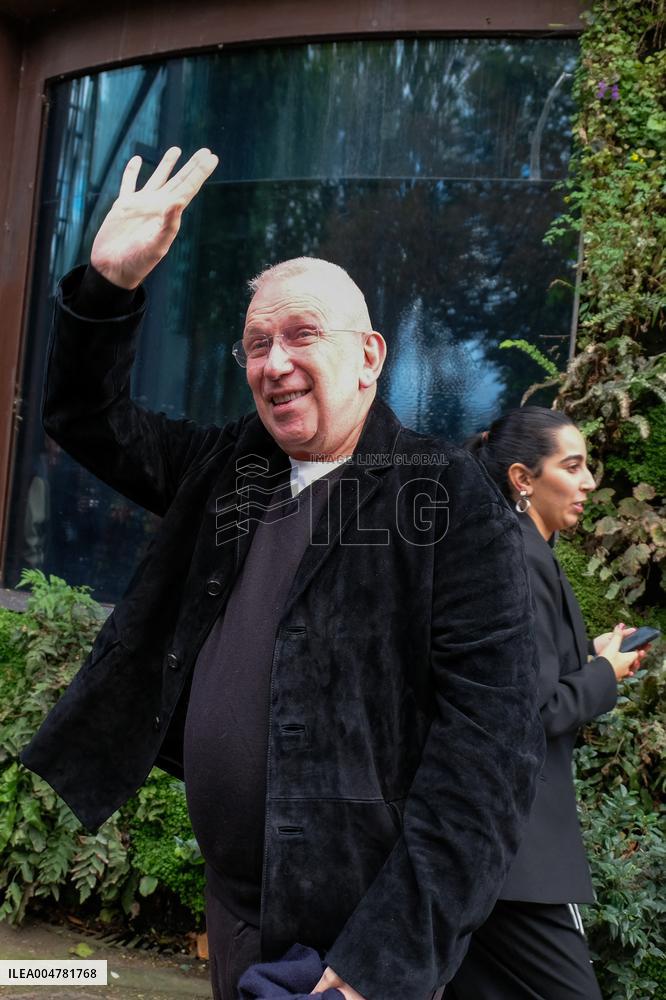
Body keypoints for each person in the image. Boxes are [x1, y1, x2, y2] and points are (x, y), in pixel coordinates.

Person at [22, 147, 544, 1000]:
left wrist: (383, 962)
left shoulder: (446, 496)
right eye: (256, 343)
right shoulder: (229, 469)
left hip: (359, 937)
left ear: (371, 355)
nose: (275, 362)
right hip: (237, 909)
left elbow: (487, 755)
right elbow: (87, 418)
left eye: (303, 335)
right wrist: (107, 287)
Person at [452, 407, 646, 1000]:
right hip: (517, 854)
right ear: (523, 478)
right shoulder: (518, 560)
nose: (589, 482)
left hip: (487, 846)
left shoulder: (525, 551)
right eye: (573, 466)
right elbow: (531, 713)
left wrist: (590, 656)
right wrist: (605, 674)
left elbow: (519, 674)